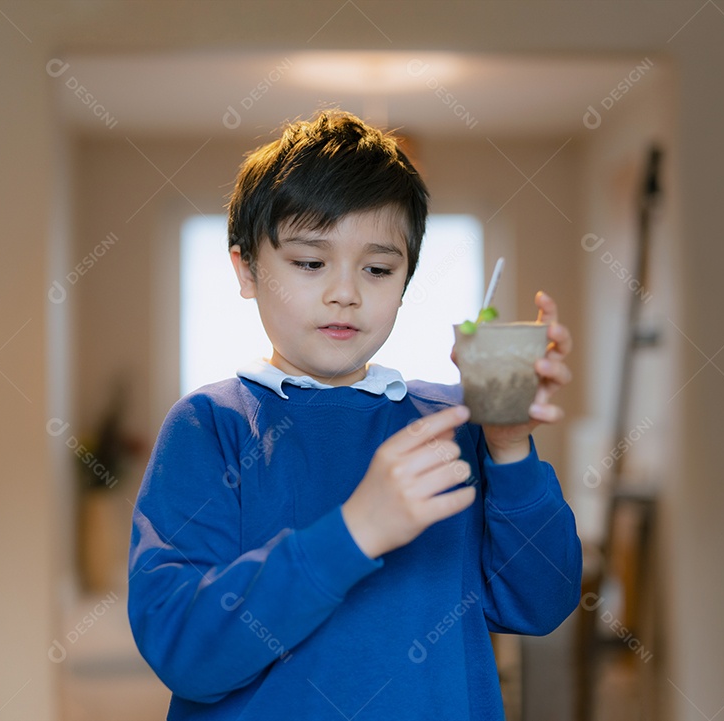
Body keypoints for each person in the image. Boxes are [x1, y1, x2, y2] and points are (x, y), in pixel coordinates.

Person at [129, 109, 581, 720]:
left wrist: (508, 447)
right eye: (311, 263)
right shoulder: (211, 426)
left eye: (377, 269)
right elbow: (183, 648)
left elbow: (540, 602)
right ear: (245, 270)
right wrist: (354, 532)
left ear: (405, 279)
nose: (346, 292)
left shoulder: (452, 424)